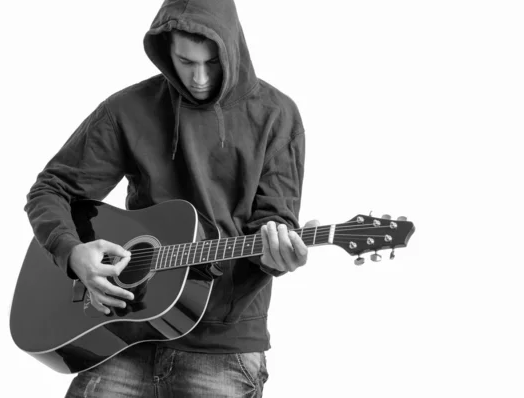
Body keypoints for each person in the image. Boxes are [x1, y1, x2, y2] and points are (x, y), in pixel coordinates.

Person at [24, 0, 318, 396]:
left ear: (233, 50)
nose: (198, 78)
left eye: (211, 63)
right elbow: (51, 188)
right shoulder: (127, 109)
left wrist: (279, 253)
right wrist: (72, 252)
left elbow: (273, 222)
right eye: (185, 61)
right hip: (122, 331)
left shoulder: (277, 115)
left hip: (222, 349)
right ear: (166, 51)